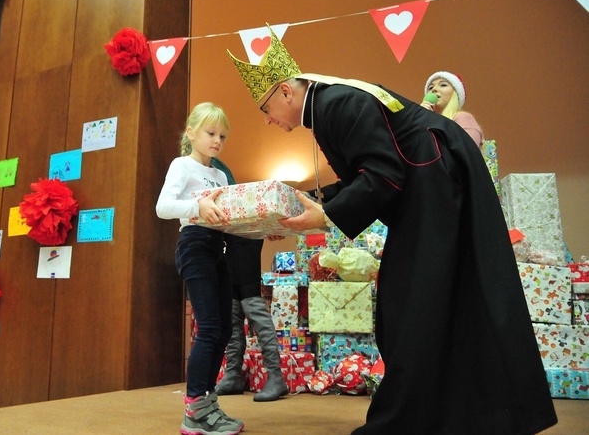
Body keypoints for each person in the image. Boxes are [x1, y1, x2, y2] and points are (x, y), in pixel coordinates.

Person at [227, 26, 557, 434]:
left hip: (437, 180)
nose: (269, 121)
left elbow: (383, 174)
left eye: (265, 110)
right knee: (431, 301)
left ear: (286, 93)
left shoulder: (336, 104)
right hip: (433, 183)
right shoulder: (330, 106)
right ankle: (448, 415)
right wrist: (304, 205)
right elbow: (364, 175)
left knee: (410, 305)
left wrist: (325, 216)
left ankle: (407, 421)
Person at [156, 102, 243, 435]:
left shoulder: (220, 174)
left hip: (218, 248)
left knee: (223, 330)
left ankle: (208, 403)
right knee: (208, 327)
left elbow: (229, 216)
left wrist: (261, 226)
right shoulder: (182, 165)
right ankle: (194, 411)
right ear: (191, 133)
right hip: (194, 244)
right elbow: (163, 207)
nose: (217, 140)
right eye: (210, 133)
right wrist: (198, 205)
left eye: (222, 135)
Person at [210, 157, 290, 402]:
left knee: (251, 306)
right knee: (232, 312)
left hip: (244, 236)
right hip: (228, 239)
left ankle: (275, 376)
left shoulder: (217, 166)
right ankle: (233, 374)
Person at [422, 71, 484, 148]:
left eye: (443, 85)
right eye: (430, 87)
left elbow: (468, 150)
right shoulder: (423, 123)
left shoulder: (463, 117)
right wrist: (420, 118)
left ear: (455, 94)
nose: (434, 89)